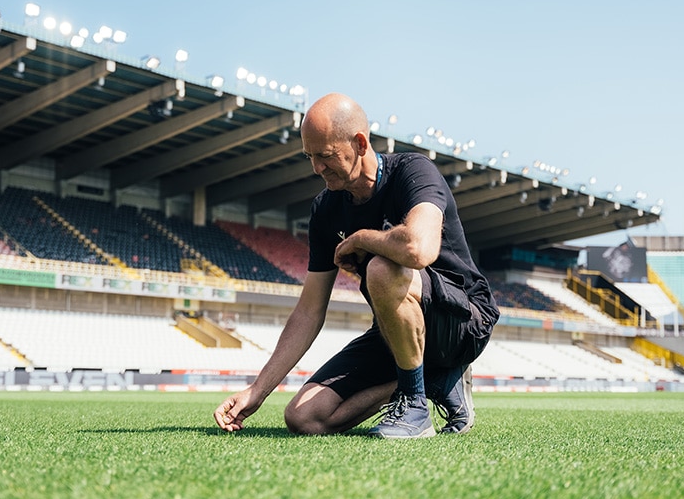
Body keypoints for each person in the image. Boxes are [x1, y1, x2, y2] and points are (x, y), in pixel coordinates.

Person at [213, 92, 500, 438]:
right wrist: (256, 391)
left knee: (382, 266)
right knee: (305, 419)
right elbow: (308, 311)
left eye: (325, 155)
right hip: (396, 333)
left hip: (463, 322)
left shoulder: (413, 172)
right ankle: (435, 380)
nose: (316, 168)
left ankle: (415, 406)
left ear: (360, 143)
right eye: (309, 156)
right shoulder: (326, 210)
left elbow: (417, 249)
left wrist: (361, 238)